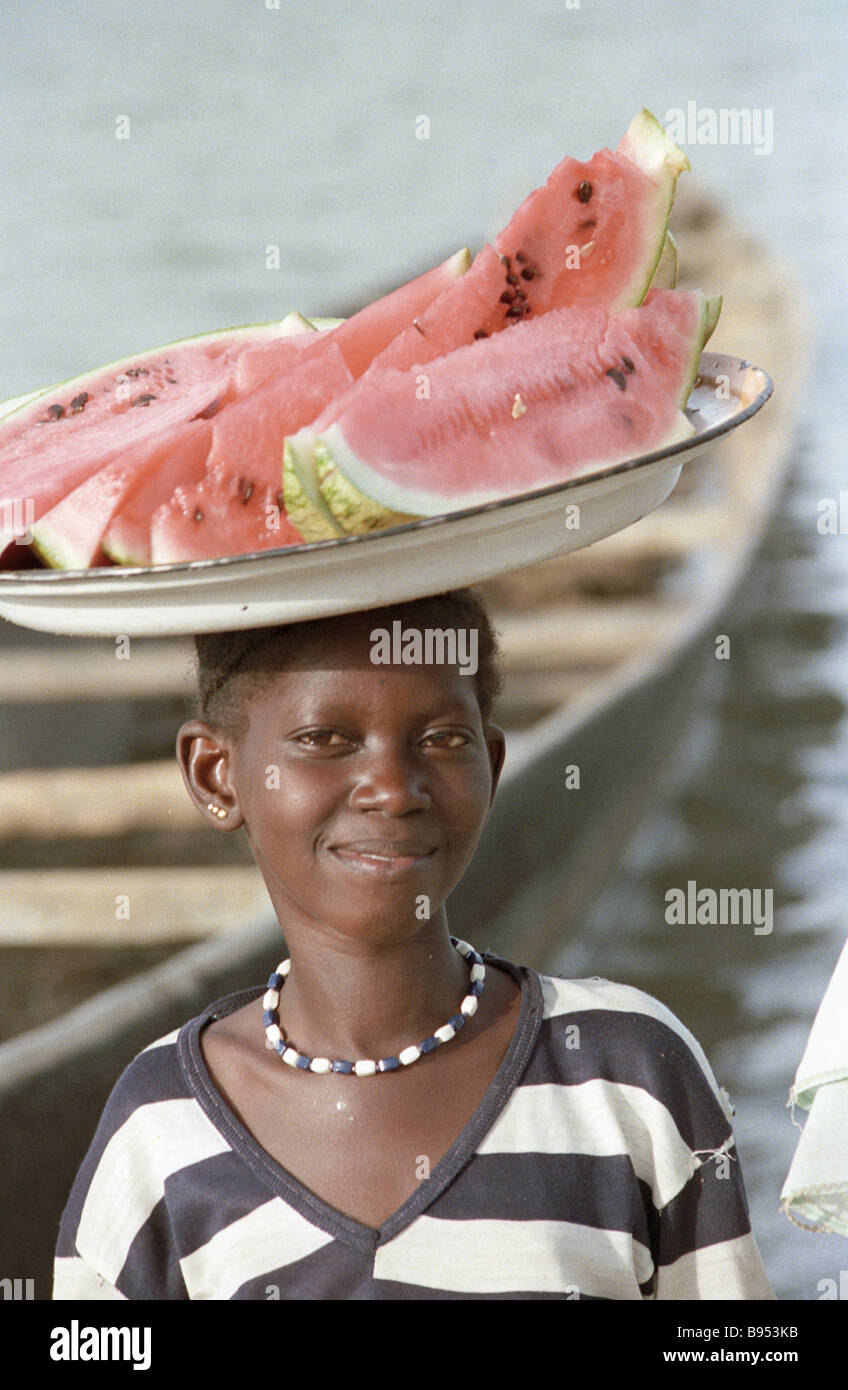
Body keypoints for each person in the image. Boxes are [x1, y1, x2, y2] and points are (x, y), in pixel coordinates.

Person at [52, 588, 775, 1300]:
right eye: (324, 740)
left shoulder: (628, 1072)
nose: (393, 789)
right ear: (216, 774)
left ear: (490, 768)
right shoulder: (159, 1125)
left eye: (440, 740)